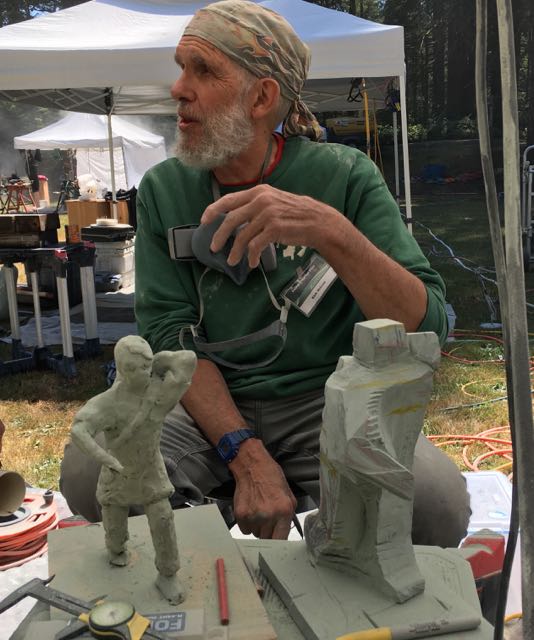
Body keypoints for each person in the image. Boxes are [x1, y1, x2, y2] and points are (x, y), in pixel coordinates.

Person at [61, 0, 470, 546]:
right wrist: (244, 454)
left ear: (262, 97)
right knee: (97, 474)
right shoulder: (164, 188)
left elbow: (427, 327)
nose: (178, 88)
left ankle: (331, 558)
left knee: (434, 505)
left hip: (325, 400)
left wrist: (331, 231)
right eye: (181, 67)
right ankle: (205, 574)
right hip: (206, 399)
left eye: (203, 70)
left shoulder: (345, 176)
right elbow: (168, 336)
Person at [67, 336, 196, 604]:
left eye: (148, 366)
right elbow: (79, 429)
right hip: (119, 471)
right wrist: (105, 458)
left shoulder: (159, 393)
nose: (146, 373)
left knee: (162, 518)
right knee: (114, 526)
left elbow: (189, 361)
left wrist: (161, 360)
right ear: (123, 370)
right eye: (138, 368)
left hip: (151, 469)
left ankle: (167, 575)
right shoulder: (108, 402)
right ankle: (116, 551)